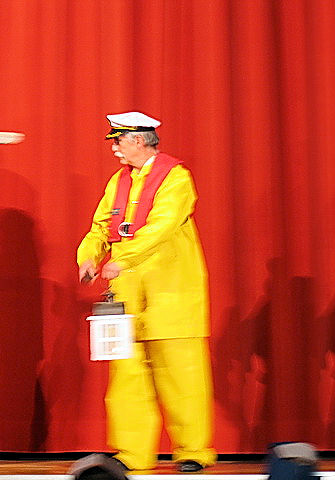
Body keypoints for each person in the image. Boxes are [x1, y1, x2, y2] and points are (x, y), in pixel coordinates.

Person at [76, 112, 216, 472]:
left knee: (182, 376)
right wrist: (88, 257)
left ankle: (193, 450)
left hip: (170, 291)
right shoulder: (119, 181)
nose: (114, 148)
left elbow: (161, 226)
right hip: (127, 292)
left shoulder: (176, 178)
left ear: (138, 140)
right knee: (127, 377)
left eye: (118, 141)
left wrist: (124, 259)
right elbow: (100, 226)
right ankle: (132, 452)